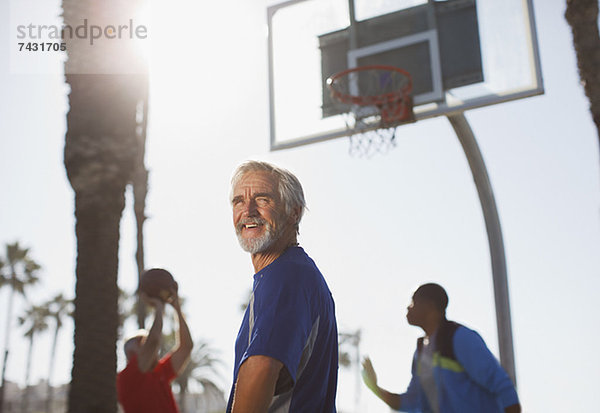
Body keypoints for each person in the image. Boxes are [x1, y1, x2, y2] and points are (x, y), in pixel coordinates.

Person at [227, 160, 338, 412]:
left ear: (294, 212)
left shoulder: (287, 275)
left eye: (263, 200)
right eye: (238, 202)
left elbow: (262, 367)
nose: (248, 211)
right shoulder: (292, 275)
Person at [362, 283, 521, 413]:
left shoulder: (460, 337)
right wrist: (374, 387)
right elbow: (410, 401)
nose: (408, 307)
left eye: (413, 302)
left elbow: (502, 386)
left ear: (430, 306)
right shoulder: (420, 353)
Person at [117, 288, 193, 413]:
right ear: (131, 353)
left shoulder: (159, 372)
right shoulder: (126, 377)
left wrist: (177, 309)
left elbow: (186, 347)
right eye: (143, 344)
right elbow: (153, 342)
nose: (154, 351)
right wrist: (159, 307)